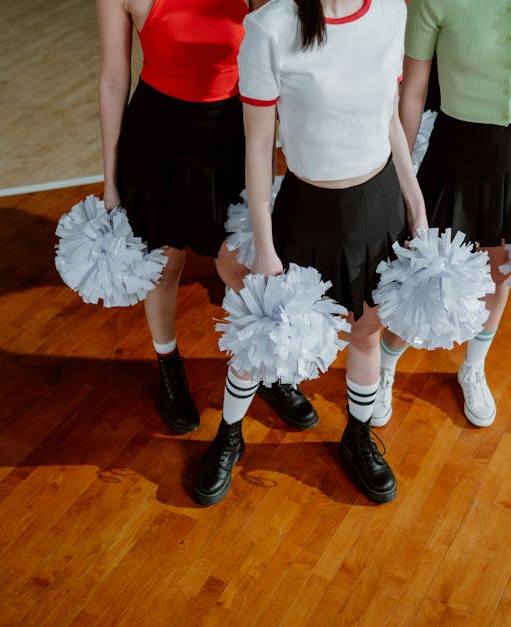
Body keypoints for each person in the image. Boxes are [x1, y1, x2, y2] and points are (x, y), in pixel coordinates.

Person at [192, 0, 427, 506]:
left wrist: (415, 202)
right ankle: (229, 436)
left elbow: (389, 120)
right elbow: (257, 149)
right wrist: (266, 248)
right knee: (261, 340)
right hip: (305, 211)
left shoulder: (390, 11)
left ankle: (357, 437)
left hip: (377, 204)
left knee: (365, 335)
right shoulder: (269, 28)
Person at [96, 0, 318, 436]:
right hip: (157, 140)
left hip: (232, 135)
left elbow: (280, 60)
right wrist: (110, 180)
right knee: (164, 265)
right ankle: (168, 361)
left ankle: (263, 366)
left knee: (241, 266)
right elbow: (112, 80)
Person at [371, 0, 511, 428]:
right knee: (428, 274)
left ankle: (473, 366)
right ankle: (386, 364)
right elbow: (412, 92)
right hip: (458, 156)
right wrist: (400, 177)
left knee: (498, 270)